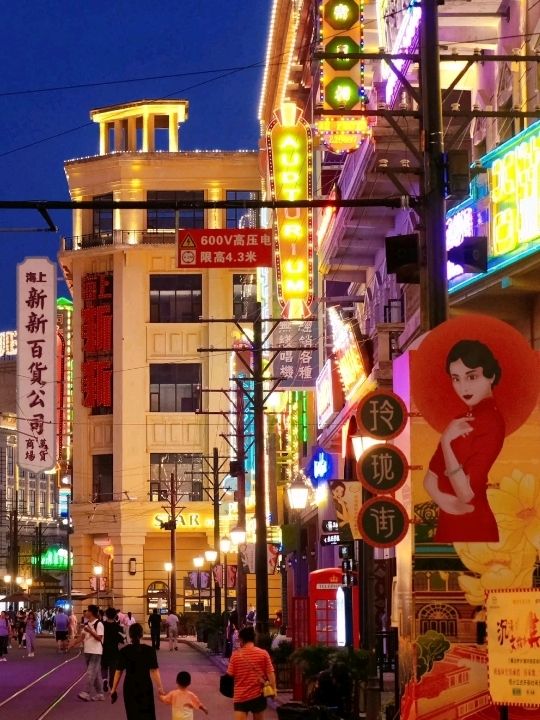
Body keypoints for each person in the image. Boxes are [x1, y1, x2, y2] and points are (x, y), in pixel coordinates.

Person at [423, 339, 505, 542]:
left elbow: (466, 493)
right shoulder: (459, 422)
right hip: (451, 522)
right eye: (456, 378)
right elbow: (428, 482)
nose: (463, 386)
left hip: (476, 528)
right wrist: (446, 503)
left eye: (472, 376)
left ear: (491, 375)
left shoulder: (492, 422)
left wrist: (446, 445)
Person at [110, 622, 164, 720]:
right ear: (141, 634)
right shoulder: (149, 650)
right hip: (145, 685)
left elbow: (118, 672)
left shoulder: (124, 651)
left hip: (130, 686)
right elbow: (154, 671)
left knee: (132, 713)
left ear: (130, 635)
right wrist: (160, 688)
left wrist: (114, 689)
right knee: (148, 713)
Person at [226, 626, 276, 720]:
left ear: (241, 639)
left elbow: (230, 674)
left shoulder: (235, 656)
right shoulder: (263, 654)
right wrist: (273, 691)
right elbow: (271, 674)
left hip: (240, 696)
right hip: (258, 696)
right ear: (254, 638)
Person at [69, 604, 105, 701]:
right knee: (95, 673)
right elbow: (82, 637)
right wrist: (73, 644)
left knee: (90, 672)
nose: (86, 613)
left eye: (88, 611)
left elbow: (99, 638)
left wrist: (89, 630)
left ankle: (86, 692)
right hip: (87, 651)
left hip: (96, 652)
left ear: (92, 612)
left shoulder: (99, 624)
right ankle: (100, 693)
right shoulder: (87, 624)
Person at [101, 607, 125, 692]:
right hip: (114, 651)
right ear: (115, 616)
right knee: (113, 669)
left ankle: (104, 680)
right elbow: (122, 640)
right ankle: (112, 682)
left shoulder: (102, 625)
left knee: (103, 666)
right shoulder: (118, 627)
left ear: (106, 615)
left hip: (103, 650)